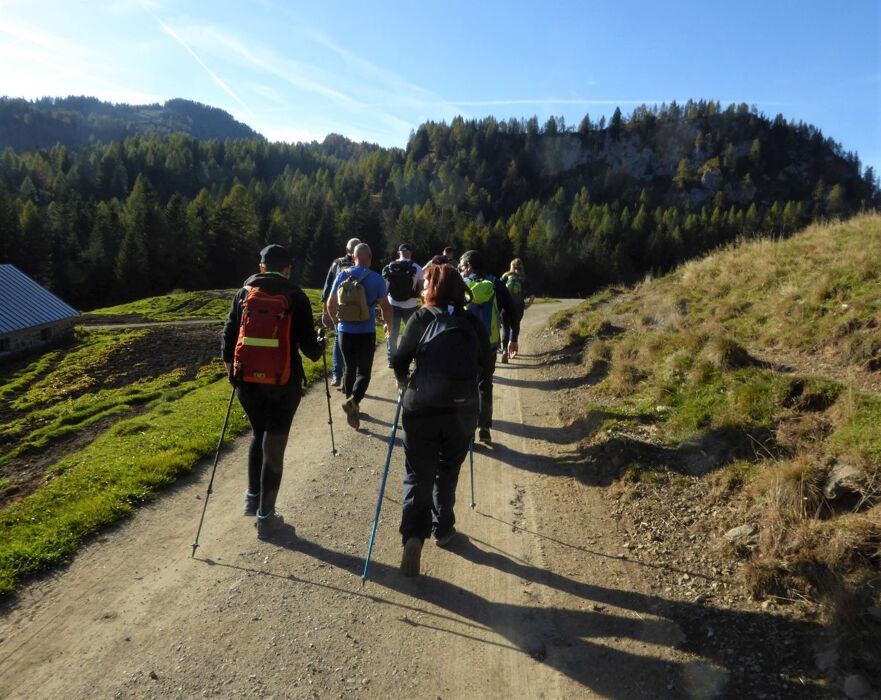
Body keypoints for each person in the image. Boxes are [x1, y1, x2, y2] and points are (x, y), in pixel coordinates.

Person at [392, 264, 492, 576]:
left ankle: (413, 536)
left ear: (432, 289)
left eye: (424, 286)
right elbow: (486, 365)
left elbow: (398, 360)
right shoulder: (471, 320)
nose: (421, 289)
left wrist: (403, 380)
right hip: (460, 412)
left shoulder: (422, 317)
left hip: (421, 407)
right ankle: (444, 529)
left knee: (417, 474)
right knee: (448, 471)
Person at [221, 244, 324, 540]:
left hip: (247, 383)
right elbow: (310, 351)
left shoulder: (244, 293)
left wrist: (233, 374)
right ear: (288, 268)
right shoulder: (296, 297)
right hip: (283, 383)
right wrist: (321, 344)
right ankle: (266, 517)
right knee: (275, 445)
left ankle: (252, 499)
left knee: (258, 434)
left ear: (262, 266)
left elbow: (228, 336)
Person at [326, 243, 393, 430]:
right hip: (366, 332)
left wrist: (336, 322)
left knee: (349, 369)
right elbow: (386, 308)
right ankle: (354, 401)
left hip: (345, 332)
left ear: (353, 257)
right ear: (370, 258)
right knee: (364, 373)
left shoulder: (342, 275)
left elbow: (331, 304)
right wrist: (389, 326)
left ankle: (353, 407)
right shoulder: (377, 279)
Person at [458, 250, 520, 444]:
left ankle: (467, 431)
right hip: (489, 343)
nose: (460, 270)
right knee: (485, 385)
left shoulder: (459, 285)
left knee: (465, 386)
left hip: (464, 342)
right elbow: (511, 310)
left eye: (461, 266)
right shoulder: (495, 283)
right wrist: (513, 337)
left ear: (468, 266)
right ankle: (484, 428)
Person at [321, 238, 360, 388]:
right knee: (355, 343)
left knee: (339, 340)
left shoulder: (337, 264)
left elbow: (327, 288)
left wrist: (325, 312)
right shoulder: (361, 265)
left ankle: (337, 376)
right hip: (357, 310)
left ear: (347, 249)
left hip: (339, 309)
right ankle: (349, 377)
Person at [382, 243, 424, 368]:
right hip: (411, 305)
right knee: (412, 333)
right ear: (410, 253)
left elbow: (384, 290)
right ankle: (411, 358)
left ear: (398, 253)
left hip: (392, 304)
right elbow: (421, 290)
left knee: (391, 332)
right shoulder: (417, 267)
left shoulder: (389, 267)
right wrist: (422, 305)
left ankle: (392, 360)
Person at [499, 258, 535, 364]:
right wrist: (528, 305)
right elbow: (532, 295)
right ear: (521, 267)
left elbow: (498, 289)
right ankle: (512, 346)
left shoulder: (505, 276)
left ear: (511, 266)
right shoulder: (523, 278)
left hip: (505, 307)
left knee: (505, 328)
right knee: (515, 326)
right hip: (518, 307)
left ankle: (505, 349)